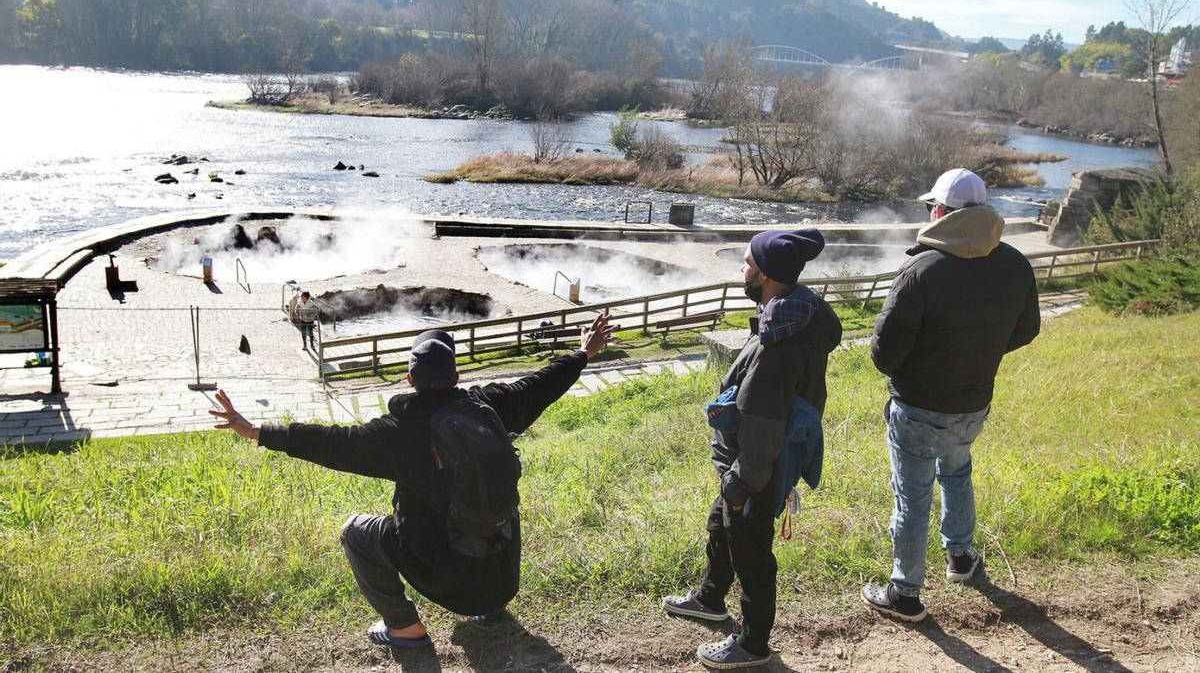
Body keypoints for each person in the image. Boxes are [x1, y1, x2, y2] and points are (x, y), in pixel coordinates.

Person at [210, 313, 617, 648]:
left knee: (355, 533)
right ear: (456, 377)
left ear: (409, 380)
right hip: (500, 580)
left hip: (447, 580)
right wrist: (583, 352)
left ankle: (404, 628)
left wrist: (256, 431)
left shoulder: (397, 434)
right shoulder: (490, 408)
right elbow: (540, 385)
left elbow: (331, 442)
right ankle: (490, 611)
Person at [861, 168, 1041, 623]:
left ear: (939, 212)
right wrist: (979, 353)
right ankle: (960, 557)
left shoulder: (921, 269)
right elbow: (1027, 329)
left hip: (919, 406)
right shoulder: (1015, 262)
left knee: (913, 495)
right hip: (973, 403)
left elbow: (884, 354)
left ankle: (904, 593)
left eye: (930, 208)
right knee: (957, 470)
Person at [662, 229, 842, 669]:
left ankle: (753, 644)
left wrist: (743, 482)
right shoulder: (793, 315)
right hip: (753, 463)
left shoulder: (777, 345)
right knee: (720, 526)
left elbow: (763, 423)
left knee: (751, 553)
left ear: (764, 275)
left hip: (756, 467)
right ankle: (709, 599)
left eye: (745, 263)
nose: (741, 269)